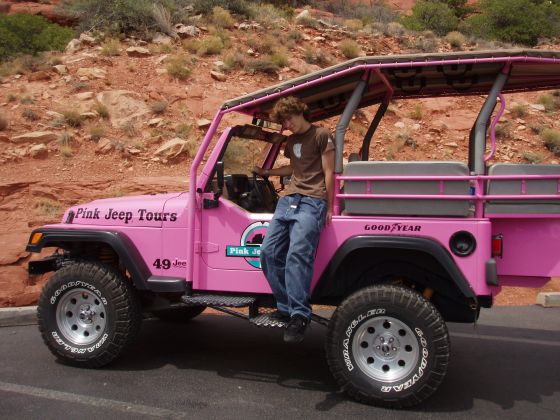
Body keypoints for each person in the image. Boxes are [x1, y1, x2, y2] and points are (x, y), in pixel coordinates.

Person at [254, 96, 335, 343]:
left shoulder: (322, 135)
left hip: (313, 200)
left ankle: (300, 314)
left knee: (297, 255)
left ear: (300, 111)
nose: (287, 124)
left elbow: (330, 170)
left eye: (288, 118)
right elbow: (295, 169)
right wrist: (267, 172)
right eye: (284, 121)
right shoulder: (291, 141)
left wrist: (330, 205)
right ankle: (286, 307)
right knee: (268, 253)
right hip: (288, 200)